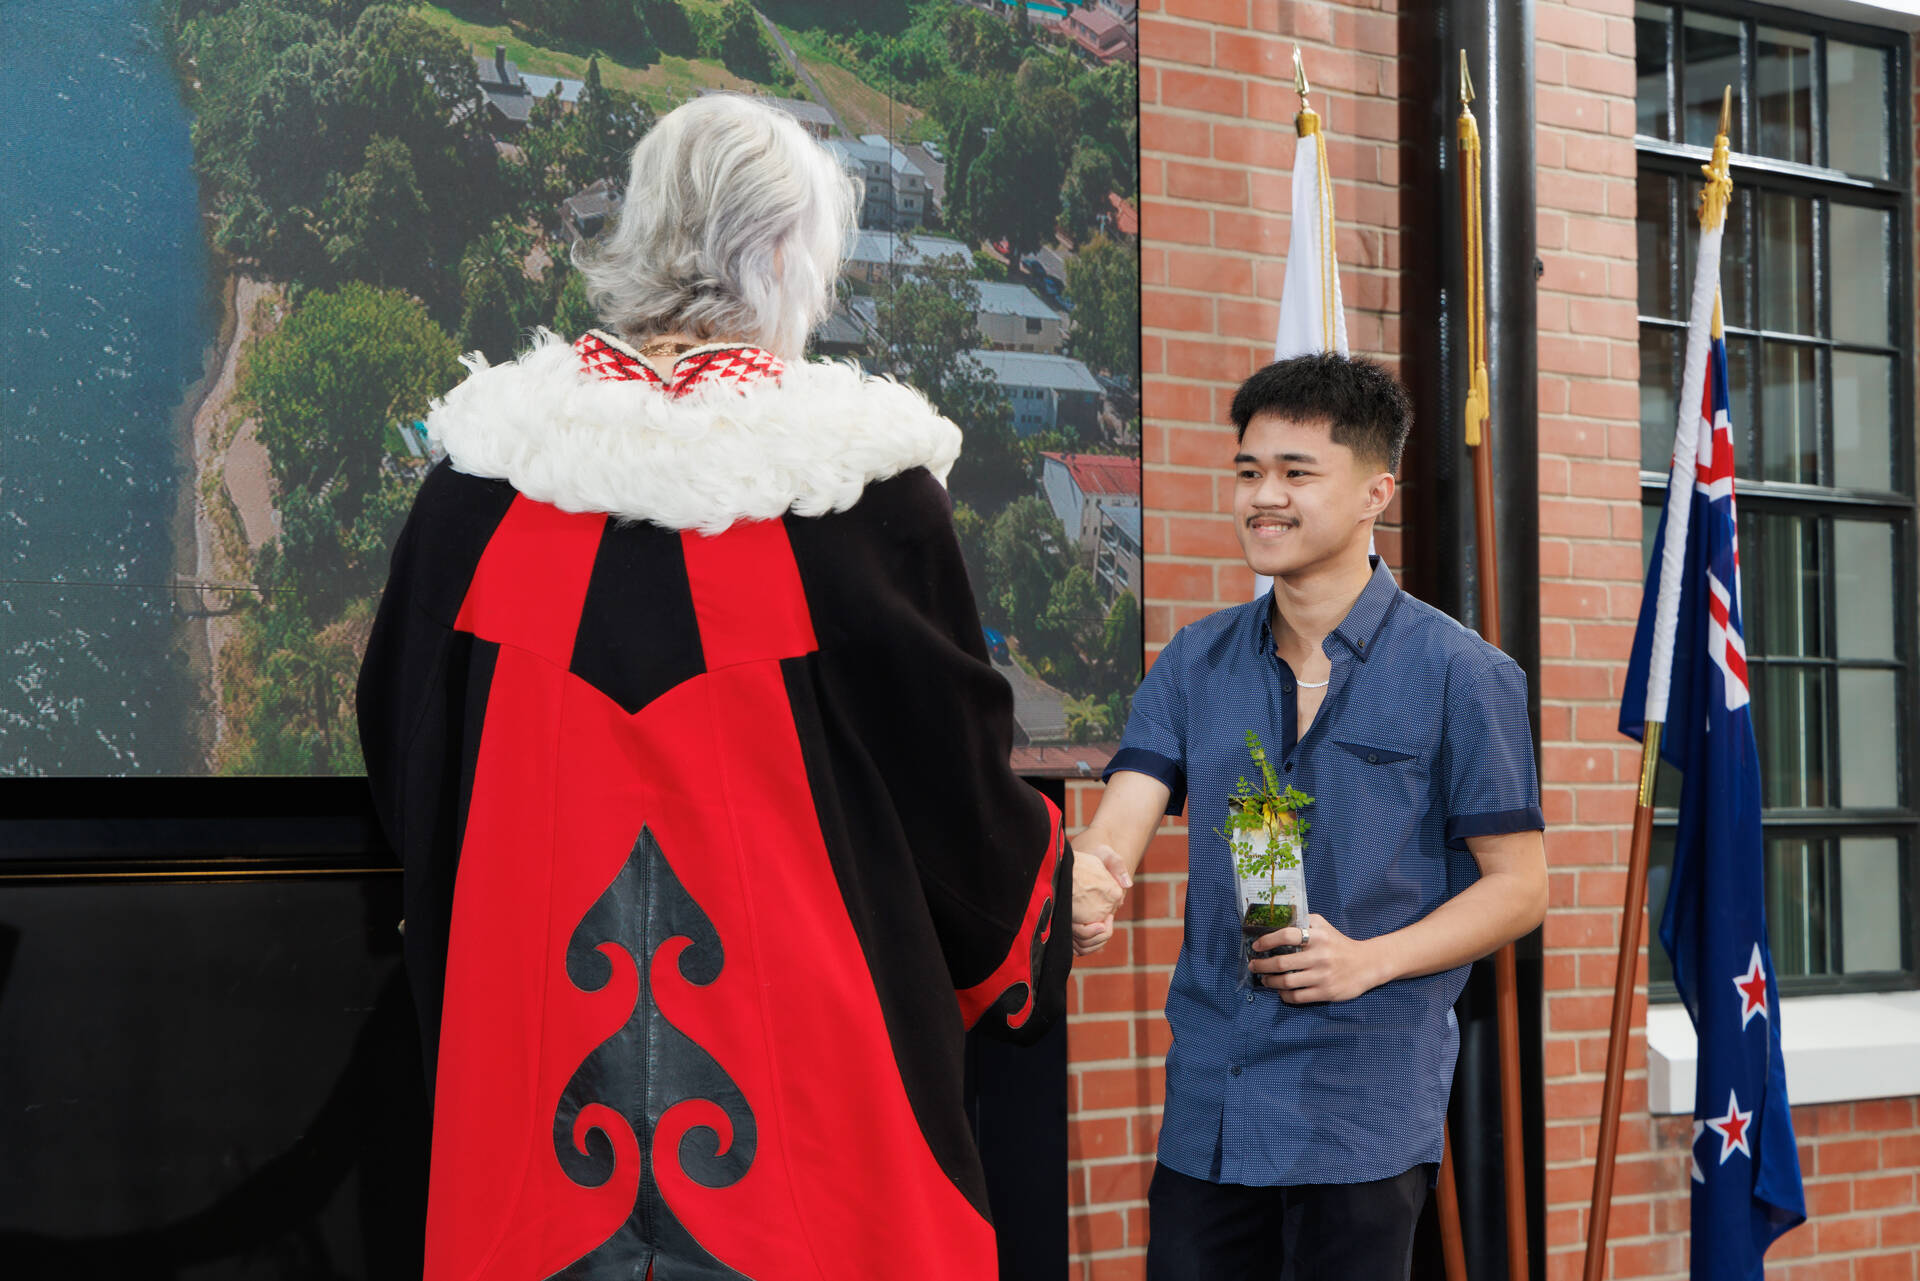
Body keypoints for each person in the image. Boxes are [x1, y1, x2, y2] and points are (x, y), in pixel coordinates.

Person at [355, 94, 1123, 1281]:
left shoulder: (478, 489)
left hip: (531, 1114)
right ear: (783, 254)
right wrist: (1052, 895)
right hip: (814, 1134)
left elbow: (408, 774)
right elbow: (959, 812)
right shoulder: (854, 497)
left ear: (641, 229)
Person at [1070, 353, 1548, 1279]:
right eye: (1248, 471)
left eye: (1296, 472)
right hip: (1212, 1107)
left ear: (1376, 492)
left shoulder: (1463, 675)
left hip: (1358, 1113)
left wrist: (1369, 959)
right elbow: (1118, 824)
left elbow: (1520, 887)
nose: (1263, 497)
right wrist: (1091, 880)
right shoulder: (1194, 662)